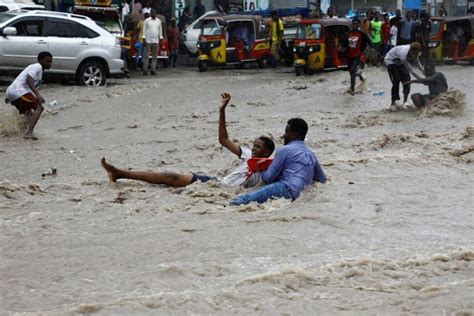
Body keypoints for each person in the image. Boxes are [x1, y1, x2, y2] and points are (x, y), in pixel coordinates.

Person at [101, 93, 275, 188]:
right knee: (171, 176)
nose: (253, 149)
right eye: (253, 145)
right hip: (216, 183)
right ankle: (120, 173)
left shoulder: (270, 167)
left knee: (170, 183)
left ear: (267, 152)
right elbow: (223, 139)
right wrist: (222, 111)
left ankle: (119, 174)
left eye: (257, 147)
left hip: (223, 190)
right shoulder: (246, 154)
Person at [230, 118, 326, 206]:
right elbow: (322, 179)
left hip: (285, 188)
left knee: (240, 200)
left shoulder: (284, 150)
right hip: (299, 194)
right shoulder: (311, 154)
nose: (283, 135)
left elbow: (268, 177)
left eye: (286, 132)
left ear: (293, 135)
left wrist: (260, 167)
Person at [4, 51, 52, 140]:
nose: (50, 64)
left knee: (29, 114)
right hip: (18, 91)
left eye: (50, 62)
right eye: (47, 61)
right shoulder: (37, 66)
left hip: (13, 93)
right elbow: (28, 79)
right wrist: (38, 95)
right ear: (40, 60)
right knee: (39, 108)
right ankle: (29, 133)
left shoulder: (38, 70)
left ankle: (18, 131)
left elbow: (28, 85)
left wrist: (36, 96)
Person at [384, 42, 424, 111]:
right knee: (396, 81)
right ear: (411, 51)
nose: (414, 56)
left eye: (416, 54)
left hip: (399, 62)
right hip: (391, 60)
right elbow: (411, 70)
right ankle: (393, 103)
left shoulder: (416, 52)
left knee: (407, 79)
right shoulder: (403, 55)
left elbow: (418, 64)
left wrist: (425, 74)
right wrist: (420, 79)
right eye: (413, 54)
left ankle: (405, 102)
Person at [343, 18, 369, 95]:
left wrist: (370, 49)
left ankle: (352, 89)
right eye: (353, 23)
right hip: (348, 55)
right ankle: (360, 74)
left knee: (352, 70)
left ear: (358, 25)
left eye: (356, 24)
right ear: (352, 24)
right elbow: (343, 43)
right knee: (351, 72)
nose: (355, 25)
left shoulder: (361, 34)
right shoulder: (347, 34)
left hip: (357, 55)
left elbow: (368, 41)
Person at [142, 9, 163, 75]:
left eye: (155, 13)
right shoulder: (147, 21)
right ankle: (145, 70)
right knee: (146, 56)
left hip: (156, 41)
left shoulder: (158, 21)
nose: (154, 14)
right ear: (150, 13)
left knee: (155, 56)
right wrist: (144, 39)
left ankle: (153, 70)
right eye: (152, 13)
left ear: (156, 14)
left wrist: (161, 38)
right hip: (148, 40)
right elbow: (144, 30)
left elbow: (160, 31)